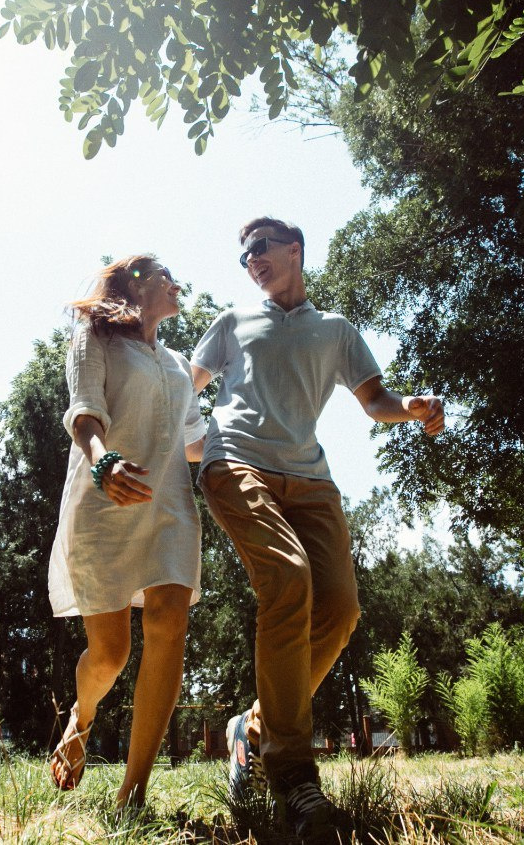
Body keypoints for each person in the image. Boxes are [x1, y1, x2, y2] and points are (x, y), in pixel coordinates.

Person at [189, 218, 445, 839]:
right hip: (235, 461)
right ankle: (294, 778)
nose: (251, 259)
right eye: (243, 253)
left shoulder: (335, 330)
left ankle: (252, 728)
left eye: (261, 248)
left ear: (295, 251)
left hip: (310, 479)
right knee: (288, 580)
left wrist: (409, 409)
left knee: (339, 607)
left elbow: (374, 398)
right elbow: (183, 389)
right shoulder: (231, 323)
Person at [47, 254, 207, 810]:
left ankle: (133, 792)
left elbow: (194, 444)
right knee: (110, 656)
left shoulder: (179, 365)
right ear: (136, 284)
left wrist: (258, 452)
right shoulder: (96, 338)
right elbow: (85, 413)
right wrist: (102, 461)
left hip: (170, 513)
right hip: (106, 505)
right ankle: (81, 716)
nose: (176, 281)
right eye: (166, 273)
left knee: (169, 623)